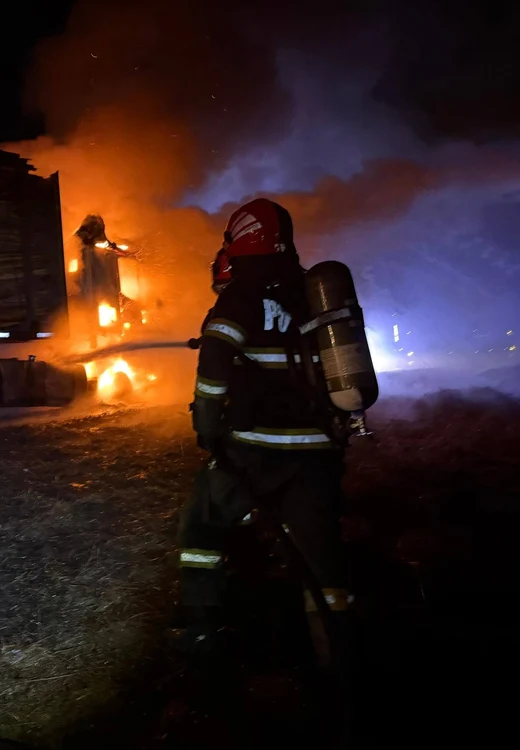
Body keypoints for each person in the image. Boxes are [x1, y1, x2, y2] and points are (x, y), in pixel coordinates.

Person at [175, 198, 356, 686]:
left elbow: (214, 361)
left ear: (239, 239)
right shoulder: (312, 292)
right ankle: (336, 659)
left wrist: (207, 426)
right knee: (323, 562)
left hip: (253, 449)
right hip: (316, 452)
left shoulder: (239, 295)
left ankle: (202, 631)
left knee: (202, 529)